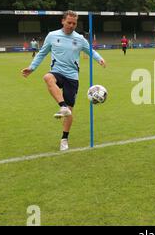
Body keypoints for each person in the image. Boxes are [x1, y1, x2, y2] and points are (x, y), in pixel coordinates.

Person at [21, 10, 106, 151]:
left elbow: (90, 50)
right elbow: (42, 53)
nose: (71, 25)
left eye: (74, 23)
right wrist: (32, 68)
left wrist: (99, 59)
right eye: (69, 22)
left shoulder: (79, 39)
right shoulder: (52, 36)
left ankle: (64, 138)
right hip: (57, 72)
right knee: (47, 77)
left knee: (69, 112)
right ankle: (62, 106)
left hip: (72, 77)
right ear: (63, 21)